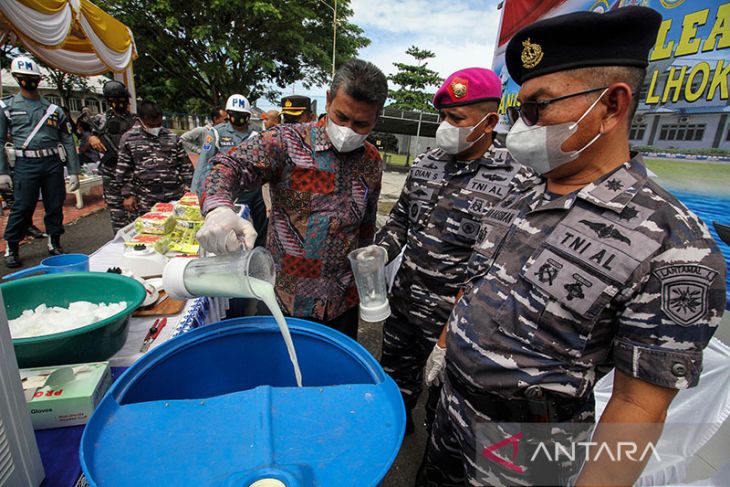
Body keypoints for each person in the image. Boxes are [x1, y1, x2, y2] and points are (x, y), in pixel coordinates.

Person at [418, 7, 727, 486]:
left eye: (537, 108)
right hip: (450, 411)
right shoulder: (521, 192)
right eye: (520, 108)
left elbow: (637, 404)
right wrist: (443, 345)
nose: (519, 126)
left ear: (611, 105)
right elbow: (476, 284)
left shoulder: (674, 244)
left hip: (529, 444)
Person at [374, 68, 540, 435]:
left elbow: (496, 269)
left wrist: (448, 338)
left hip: (454, 322)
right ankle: (391, 437)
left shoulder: (517, 181)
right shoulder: (426, 164)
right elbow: (401, 220)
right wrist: (379, 252)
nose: (445, 125)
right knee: (392, 390)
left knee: (443, 411)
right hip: (403, 305)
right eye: (443, 116)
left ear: (490, 121)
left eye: (456, 118)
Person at [197, 59, 388, 340]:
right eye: (341, 117)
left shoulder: (371, 161)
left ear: (377, 117)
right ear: (327, 100)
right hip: (285, 301)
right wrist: (218, 207)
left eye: (361, 124)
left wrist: (370, 264)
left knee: (332, 379)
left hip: (341, 305)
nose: (348, 130)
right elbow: (227, 165)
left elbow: (366, 227)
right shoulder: (287, 142)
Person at [0, 56, 80, 268]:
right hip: (25, 164)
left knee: (54, 203)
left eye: (33, 77)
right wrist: (3, 171)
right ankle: (12, 245)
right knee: (23, 206)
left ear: (39, 79)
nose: (29, 81)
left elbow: (68, 142)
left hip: (51, 161)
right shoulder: (7, 107)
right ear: (16, 77)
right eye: (24, 77)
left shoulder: (54, 110)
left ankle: (54, 240)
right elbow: (0, 140)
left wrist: (73, 170)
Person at [190, 94, 267, 246]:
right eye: (235, 115)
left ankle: (259, 255)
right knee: (233, 231)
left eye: (243, 115)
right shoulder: (217, 133)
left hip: (254, 192)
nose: (239, 118)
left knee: (259, 228)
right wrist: (195, 193)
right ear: (228, 114)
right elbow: (203, 164)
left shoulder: (257, 134)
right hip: (228, 193)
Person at [115, 101, 193, 218]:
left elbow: (185, 166)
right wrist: (127, 195)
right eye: (151, 125)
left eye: (159, 123)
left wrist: (190, 189)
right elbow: (124, 169)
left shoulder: (171, 137)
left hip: (175, 195)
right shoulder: (129, 139)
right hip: (146, 199)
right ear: (140, 120)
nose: (156, 127)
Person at [87, 80, 136, 232]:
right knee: (118, 214)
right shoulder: (100, 120)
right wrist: (91, 138)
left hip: (133, 171)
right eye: (116, 100)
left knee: (138, 214)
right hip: (111, 171)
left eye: (123, 100)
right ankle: (119, 242)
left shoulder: (135, 120)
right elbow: (86, 134)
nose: (120, 104)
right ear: (109, 101)